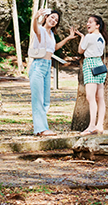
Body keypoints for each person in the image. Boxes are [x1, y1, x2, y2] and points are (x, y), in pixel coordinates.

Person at [28, 8, 76, 136]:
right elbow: (35, 29)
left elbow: (53, 48)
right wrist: (35, 17)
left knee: (46, 100)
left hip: (47, 66)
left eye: (56, 20)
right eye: (52, 17)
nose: (53, 20)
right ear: (46, 17)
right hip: (38, 66)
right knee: (38, 99)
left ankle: (42, 127)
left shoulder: (51, 34)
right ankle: (41, 129)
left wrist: (68, 38)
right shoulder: (41, 30)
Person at [75, 15, 108, 136]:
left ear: (97, 25)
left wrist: (82, 37)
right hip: (100, 65)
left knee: (90, 97)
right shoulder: (101, 38)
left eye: (90, 22)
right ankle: (100, 125)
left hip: (90, 65)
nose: (87, 24)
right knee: (100, 98)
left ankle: (91, 126)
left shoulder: (89, 37)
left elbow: (80, 50)